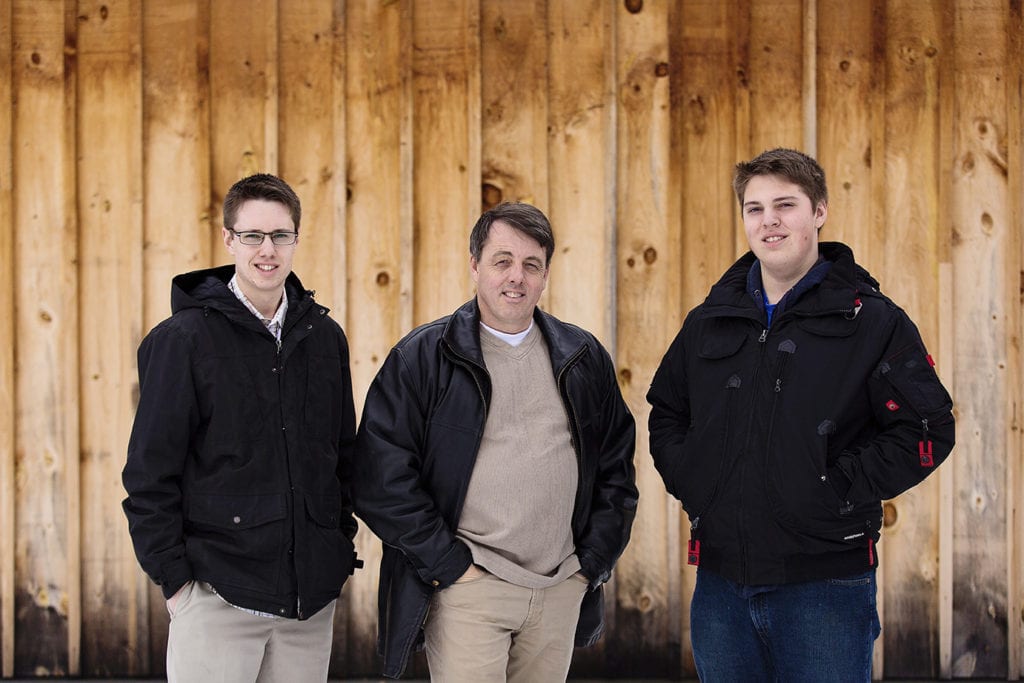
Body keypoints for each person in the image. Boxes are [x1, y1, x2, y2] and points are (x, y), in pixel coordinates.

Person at [647, 148, 955, 682]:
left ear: (819, 212)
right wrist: (699, 482)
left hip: (825, 590)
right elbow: (667, 412)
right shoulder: (711, 321)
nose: (769, 221)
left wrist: (833, 486)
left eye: (785, 205)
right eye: (754, 208)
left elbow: (927, 429)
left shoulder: (871, 320)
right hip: (721, 589)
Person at [353, 201, 639, 680]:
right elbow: (379, 480)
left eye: (531, 265)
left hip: (559, 584)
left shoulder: (583, 357)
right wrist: (451, 566)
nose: (516, 277)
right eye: (502, 261)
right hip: (469, 588)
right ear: (474, 266)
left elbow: (617, 470)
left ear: (546, 275)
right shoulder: (423, 357)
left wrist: (589, 566)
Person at [122, 173, 360, 682]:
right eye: (252, 236)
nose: (266, 250)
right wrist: (177, 583)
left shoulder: (324, 339)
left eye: (280, 235)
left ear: (296, 238)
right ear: (229, 239)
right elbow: (149, 474)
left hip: (307, 606)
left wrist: (335, 546)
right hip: (216, 597)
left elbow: (341, 455)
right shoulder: (183, 341)